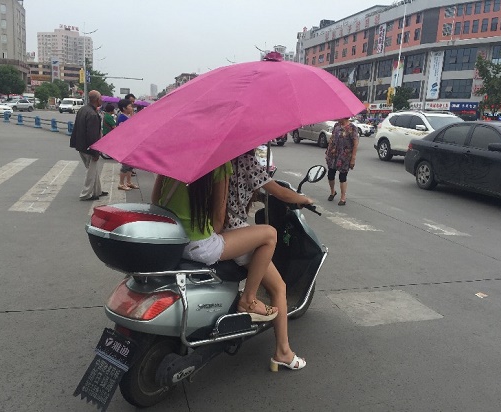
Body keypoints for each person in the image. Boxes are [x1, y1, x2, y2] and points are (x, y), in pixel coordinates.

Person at [151, 165, 279, 324]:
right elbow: (219, 218)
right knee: (269, 234)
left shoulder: (171, 157)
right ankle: (249, 299)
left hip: (171, 239)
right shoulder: (220, 165)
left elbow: (155, 200)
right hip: (198, 246)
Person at [224, 150, 313, 371]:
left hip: (218, 231)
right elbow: (280, 192)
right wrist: (303, 199)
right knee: (279, 287)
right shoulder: (245, 159)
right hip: (235, 232)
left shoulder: (221, 159)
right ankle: (283, 351)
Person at [69, 90, 108, 201]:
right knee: (91, 171)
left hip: (81, 145)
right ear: (97, 100)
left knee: (93, 170)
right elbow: (93, 135)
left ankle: (97, 191)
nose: (102, 100)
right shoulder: (92, 114)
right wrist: (96, 151)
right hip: (89, 148)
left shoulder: (83, 109)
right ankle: (86, 194)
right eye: (101, 98)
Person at [325, 117, 359, 206]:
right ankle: (332, 192)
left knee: (342, 176)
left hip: (345, 156)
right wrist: (327, 152)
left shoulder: (352, 128)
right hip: (333, 154)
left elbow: (355, 144)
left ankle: (343, 197)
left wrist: (353, 158)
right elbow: (332, 139)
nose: (337, 118)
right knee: (330, 174)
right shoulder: (336, 126)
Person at [115, 99, 139, 191]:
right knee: (125, 165)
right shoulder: (122, 118)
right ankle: (121, 183)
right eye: (129, 106)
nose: (131, 108)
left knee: (130, 165)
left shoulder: (127, 117)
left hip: (131, 144)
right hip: (126, 145)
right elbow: (124, 132)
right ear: (124, 108)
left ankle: (129, 182)